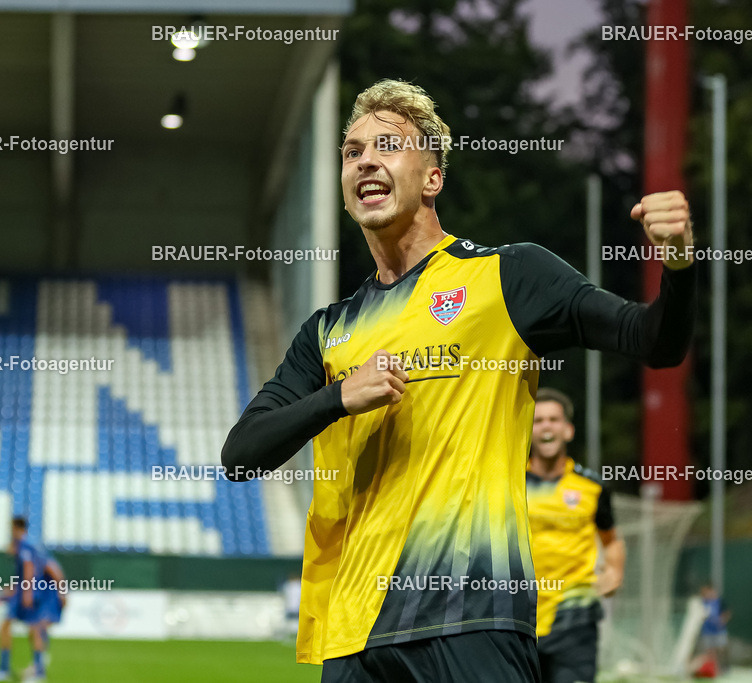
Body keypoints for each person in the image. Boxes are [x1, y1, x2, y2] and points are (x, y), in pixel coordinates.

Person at [222, 78, 696, 681]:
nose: (365, 159)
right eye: (351, 151)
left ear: (432, 177)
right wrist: (339, 397)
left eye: (387, 145)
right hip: (353, 630)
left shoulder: (510, 275)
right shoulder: (327, 332)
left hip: (473, 616)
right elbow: (240, 455)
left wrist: (678, 261)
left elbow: (655, 341)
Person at [527, 388, 625, 683]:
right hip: (517, 616)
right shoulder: (506, 482)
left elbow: (612, 539)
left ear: (568, 430)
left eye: (554, 419)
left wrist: (615, 570)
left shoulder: (592, 486)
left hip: (575, 617)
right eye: (538, 420)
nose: (546, 426)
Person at [0, 516, 51, 682]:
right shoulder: (28, 545)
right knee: (22, 628)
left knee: (31, 629)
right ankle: (32, 671)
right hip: (26, 591)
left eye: (11, 528)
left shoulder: (24, 545)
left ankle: (24, 671)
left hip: (26, 593)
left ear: (16, 528)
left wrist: (26, 592)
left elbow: (29, 567)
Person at [691, 583, 730, 677]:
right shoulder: (702, 602)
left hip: (719, 631)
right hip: (707, 632)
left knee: (721, 649)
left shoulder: (719, 602)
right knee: (710, 651)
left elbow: (727, 612)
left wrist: (722, 620)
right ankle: (713, 669)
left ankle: (723, 668)